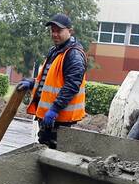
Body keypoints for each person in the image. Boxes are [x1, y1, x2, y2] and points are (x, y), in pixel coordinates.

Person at [18, 13, 87, 148]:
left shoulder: (73, 54)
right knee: (44, 147)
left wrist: (55, 109)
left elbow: (72, 85)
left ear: (70, 31)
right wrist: (32, 83)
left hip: (59, 118)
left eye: (59, 31)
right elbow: (49, 78)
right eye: (52, 31)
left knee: (52, 151)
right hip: (49, 115)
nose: (55, 34)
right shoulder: (56, 51)